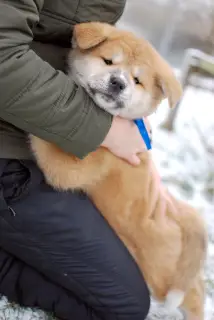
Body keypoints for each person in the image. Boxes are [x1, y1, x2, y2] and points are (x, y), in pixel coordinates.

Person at [0, 1, 151, 319]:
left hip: (42, 141)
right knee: (122, 306)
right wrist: (106, 131)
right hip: (10, 153)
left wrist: (134, 133)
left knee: (137, 275)